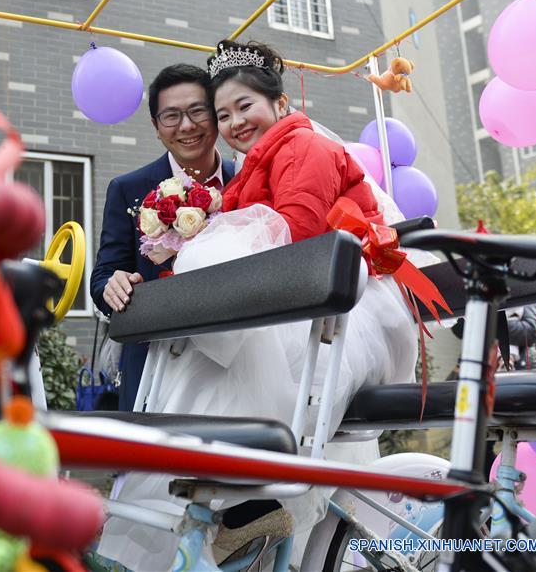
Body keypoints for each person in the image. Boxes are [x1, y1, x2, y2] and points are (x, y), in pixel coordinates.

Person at [97, 41, 421, 570]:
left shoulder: (295, 151)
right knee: (197, 388)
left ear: (280, 104)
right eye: (221, 113)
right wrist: (120, 279)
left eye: (236, 108)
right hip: (242, 313)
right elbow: (109, 268)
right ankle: (229, 505)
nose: (223, 123)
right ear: (156, 125)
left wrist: (208, 248)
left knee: (226, 374)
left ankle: (248, 499)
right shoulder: (198, 175)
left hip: (323, 305)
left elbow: (295, 233)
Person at [90, 64, 235, 410]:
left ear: (215, 116)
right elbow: (102, 277)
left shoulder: (246, 181)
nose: (186, 126)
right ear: (156, 127)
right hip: (156, 366)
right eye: (171, 116)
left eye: (197, 111)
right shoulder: (128, 189)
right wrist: (112, 285)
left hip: (233, 361)